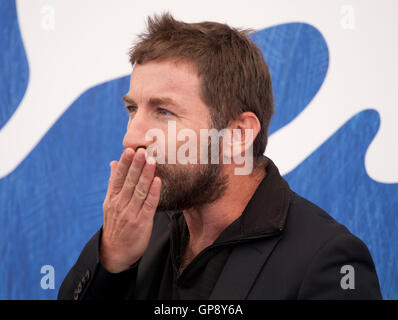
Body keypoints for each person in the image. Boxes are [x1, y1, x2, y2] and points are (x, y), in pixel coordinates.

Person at [58, 13, 382, 300]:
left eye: (164, 112)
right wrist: (113, 261)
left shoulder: (327, 260)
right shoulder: (139, 231)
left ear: (238, 135)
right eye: (132, 109)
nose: (132, 137)